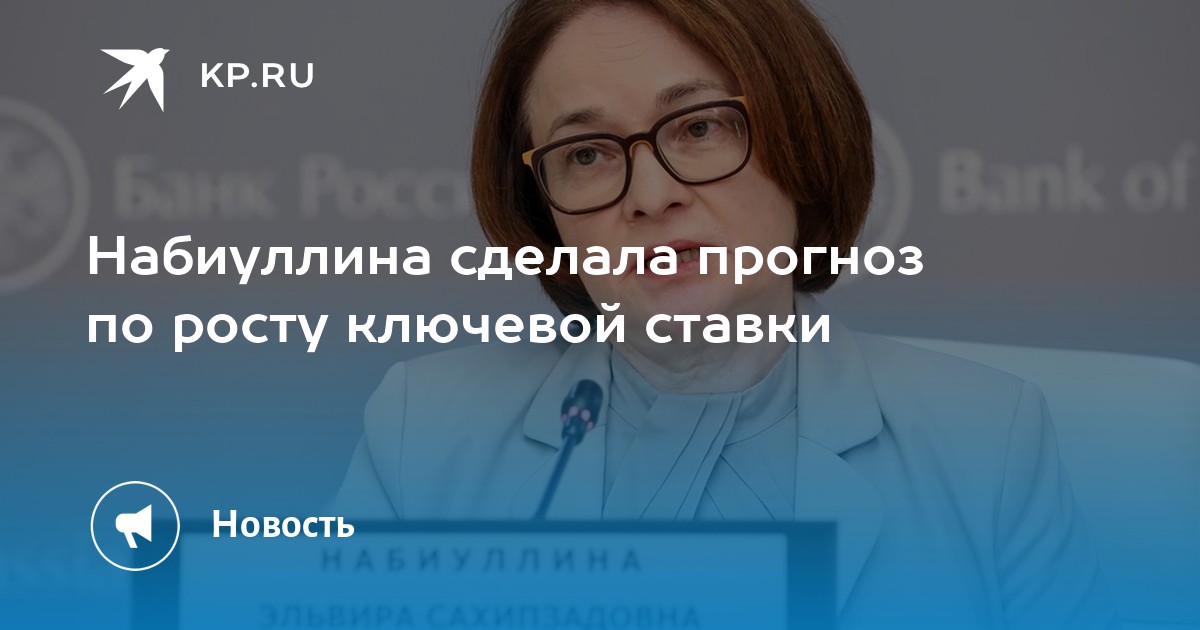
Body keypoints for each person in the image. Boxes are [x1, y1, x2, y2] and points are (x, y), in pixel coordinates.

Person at [335, 0, 1118, 627]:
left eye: (700, 127)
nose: (651, 196)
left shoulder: (988, 444)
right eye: (587, 154)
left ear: (801, 138)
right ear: (545, 212)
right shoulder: (421, 439)